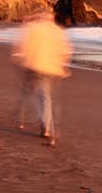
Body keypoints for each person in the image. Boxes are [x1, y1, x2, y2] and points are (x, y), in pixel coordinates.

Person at [12, 9, 72, 146]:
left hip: (33, 65)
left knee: (29, 93)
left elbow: (23, 45)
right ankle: (45, 126)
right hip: (51, 68)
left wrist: (19, 58)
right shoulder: (57, 31)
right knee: (45, 97)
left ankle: (25, 118)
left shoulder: (33, 28)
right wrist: (63, 67)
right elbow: (65, 50)